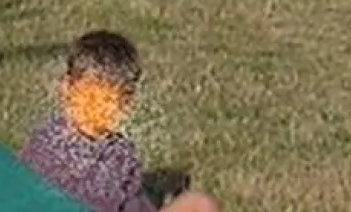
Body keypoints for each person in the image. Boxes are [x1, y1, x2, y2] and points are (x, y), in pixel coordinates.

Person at [19, 31, 221, 212]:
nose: (96, 109)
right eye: (90, 96)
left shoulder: (121, 151)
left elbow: (134, 203)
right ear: (66, 89)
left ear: (126, 104)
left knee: (200, 203)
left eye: (109, 100)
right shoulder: (46, 148)